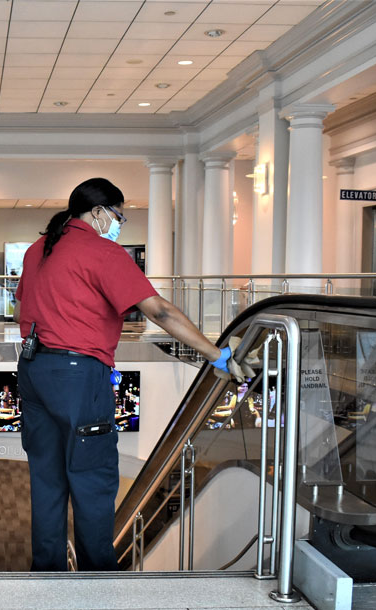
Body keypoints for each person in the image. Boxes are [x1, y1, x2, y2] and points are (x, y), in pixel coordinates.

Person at [14, 177, 248, 571]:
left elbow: (23, 311)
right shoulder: (102, 252)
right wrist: (217, 354)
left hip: (34, 369)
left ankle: (47, 577)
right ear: (100, 212)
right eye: (119, 216)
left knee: (47, 479)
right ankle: (98, 580)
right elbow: (159, 311)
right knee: (91, 481)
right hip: (79, 376)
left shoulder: (39, 248)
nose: (120, 224)